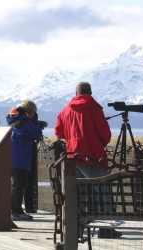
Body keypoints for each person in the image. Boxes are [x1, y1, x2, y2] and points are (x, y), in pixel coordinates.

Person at [54, 81, 119, 238]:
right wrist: (98, 143)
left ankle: (75, 228)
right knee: (103, 193)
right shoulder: (94, 108)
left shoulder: (65, 110)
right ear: (90, 93)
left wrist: (71, 140)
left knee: (76, 195)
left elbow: (58, 132)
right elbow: (105, 134)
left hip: (72, 158)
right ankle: (106, 229)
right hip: (93, 157)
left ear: (76, 93)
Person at [6, 101, 42, 220]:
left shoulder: (12, 119)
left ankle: (13, 210)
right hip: (21, 157)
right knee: (20, 184)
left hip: (11, 156)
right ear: (30, 112)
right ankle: (17, 211)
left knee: (15, 185)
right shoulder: (23, 120)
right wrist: (36, 125)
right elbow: (36, 133)